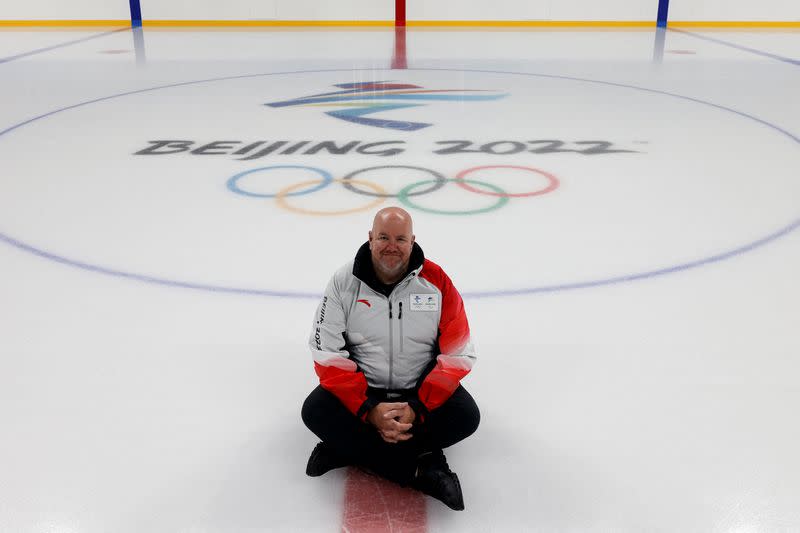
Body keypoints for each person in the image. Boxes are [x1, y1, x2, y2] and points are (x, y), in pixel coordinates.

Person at [301, 206, 480, 511]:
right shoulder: (344, 282)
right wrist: (369, 410)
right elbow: (327, 353)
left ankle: (348, 449)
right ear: (370, 238)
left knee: (466, 417)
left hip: (419, 393)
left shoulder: (437, 282)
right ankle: (421, 470)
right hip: (365, 392)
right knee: (314, 411)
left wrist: (417, 408)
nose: (391, 246)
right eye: (383, 237)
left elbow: (457, 353)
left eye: (400, 238)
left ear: (413, 241)